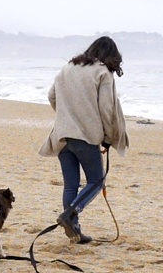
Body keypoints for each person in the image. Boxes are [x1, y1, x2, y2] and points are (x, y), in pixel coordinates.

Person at [39, 36, 129, 244]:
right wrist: (108, 137)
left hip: (61, 135)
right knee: (96, 181)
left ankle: (75, 230)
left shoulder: (68, 68)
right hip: (86, 135)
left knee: (71, 186)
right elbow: (107, 109)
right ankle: (70, 215)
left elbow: (52, 97)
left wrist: (66, 117)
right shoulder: (102, 72)